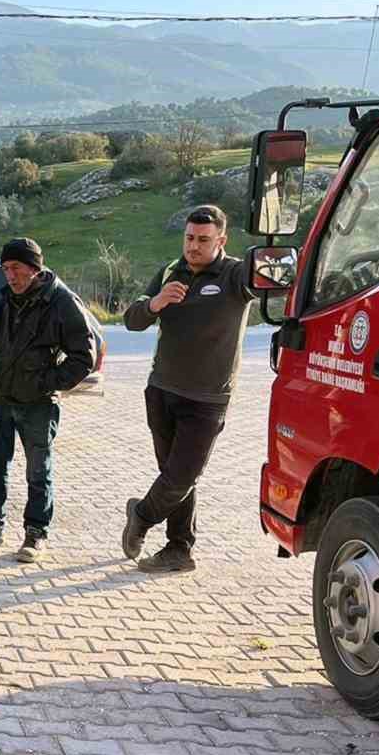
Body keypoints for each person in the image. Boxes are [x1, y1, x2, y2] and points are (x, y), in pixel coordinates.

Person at [120, 206, 255, 573]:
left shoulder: (235, 275)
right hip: (162, 392)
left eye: (203, 240)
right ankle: (179, 549)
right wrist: (155, 303)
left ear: (221, 241)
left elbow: (269, 280)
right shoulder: (169, 271)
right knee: (172, 473)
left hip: (208, 400)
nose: (193, 247)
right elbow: (131, 320)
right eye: (189, 238)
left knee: (183, 476)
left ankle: (142, 515)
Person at [0, 238, 95, 562]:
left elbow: (83, 357)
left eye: (16, 268)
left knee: (38, 472)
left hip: (39, 403)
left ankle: (36, 535)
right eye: (5, 269)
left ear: (34, 268)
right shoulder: (6, 300)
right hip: (2, 397)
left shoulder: (61, 302)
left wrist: (46, 383)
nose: (10, 275)